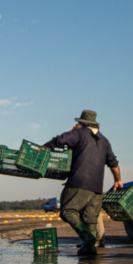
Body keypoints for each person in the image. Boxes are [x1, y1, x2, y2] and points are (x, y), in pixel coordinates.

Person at [43, 109, 122, 256]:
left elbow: (59, 140)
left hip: (79, 181)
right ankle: (89, 248)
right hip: (97, 187)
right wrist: (118, 180)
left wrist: (44, 147)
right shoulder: (104, 140)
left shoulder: (79, 133)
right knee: (90, 218)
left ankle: (87, 237)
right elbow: (114, 163)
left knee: (67, 211)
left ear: (82, 123)